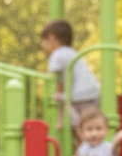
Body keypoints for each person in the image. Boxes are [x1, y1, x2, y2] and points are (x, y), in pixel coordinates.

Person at [39, 19, 100, 147]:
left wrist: (56, 93)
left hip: (79, 97)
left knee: (82, 129)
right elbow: (61, 80)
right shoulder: (71, 52)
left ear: (51, 39)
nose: (42, 46)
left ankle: (85, 152)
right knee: (89, 127)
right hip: (92, 93)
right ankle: (85, 153)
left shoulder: (57, 54)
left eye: (43, 41)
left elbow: (52, 77)